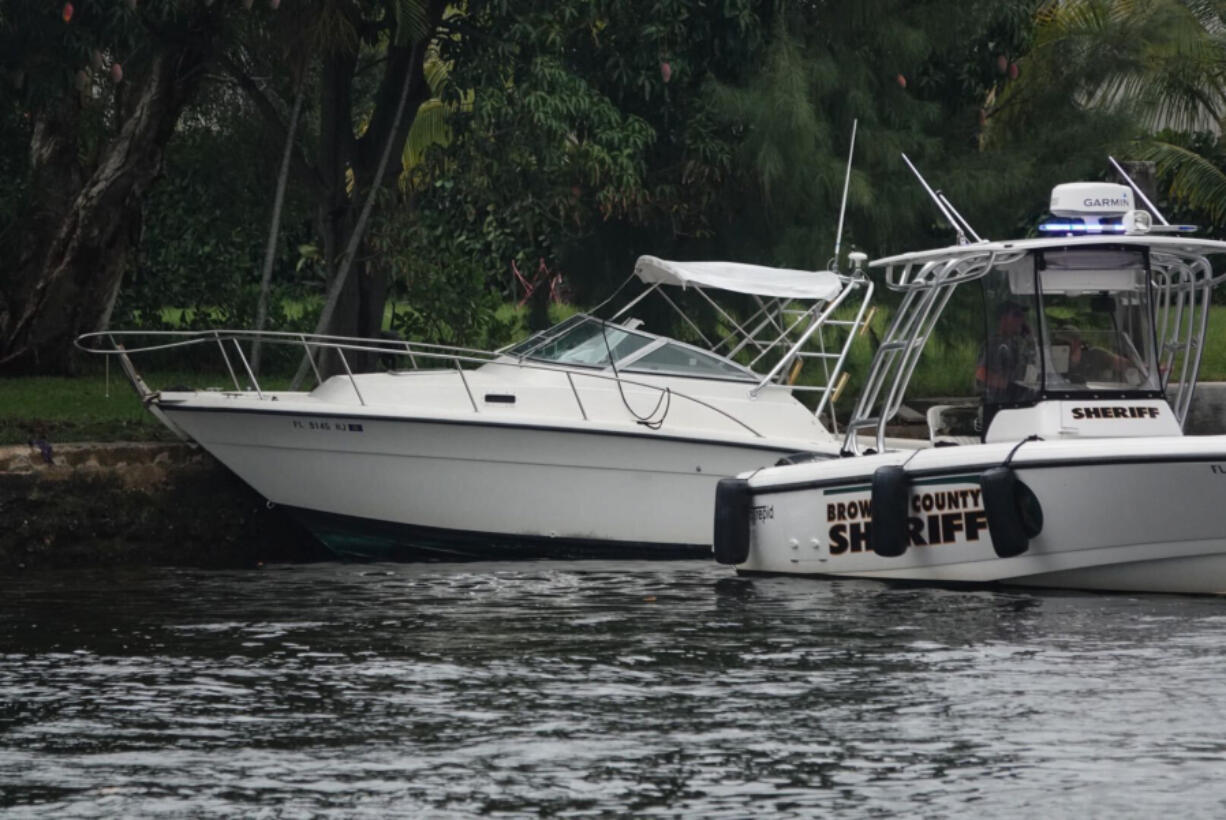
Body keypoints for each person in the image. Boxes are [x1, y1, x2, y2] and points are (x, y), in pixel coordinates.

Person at [975, 300, 1036, 401]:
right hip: (998, 401)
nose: (1021, 319)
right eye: (1016, 315)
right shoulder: (995, 343)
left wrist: (1029, 337)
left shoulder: (1014, 343)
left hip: (1013, 401)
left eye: (1021, 316)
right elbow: (981, 373)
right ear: (1003, 319)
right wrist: (1010, 386)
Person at [1053, 326, 1132, 384]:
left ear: (1078, 342)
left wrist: (1136, 369)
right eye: (1057, 342)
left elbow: (1124, 364)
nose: (1060, 345)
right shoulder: (1052, 358)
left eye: (1065, 343)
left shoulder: (1095, 354)